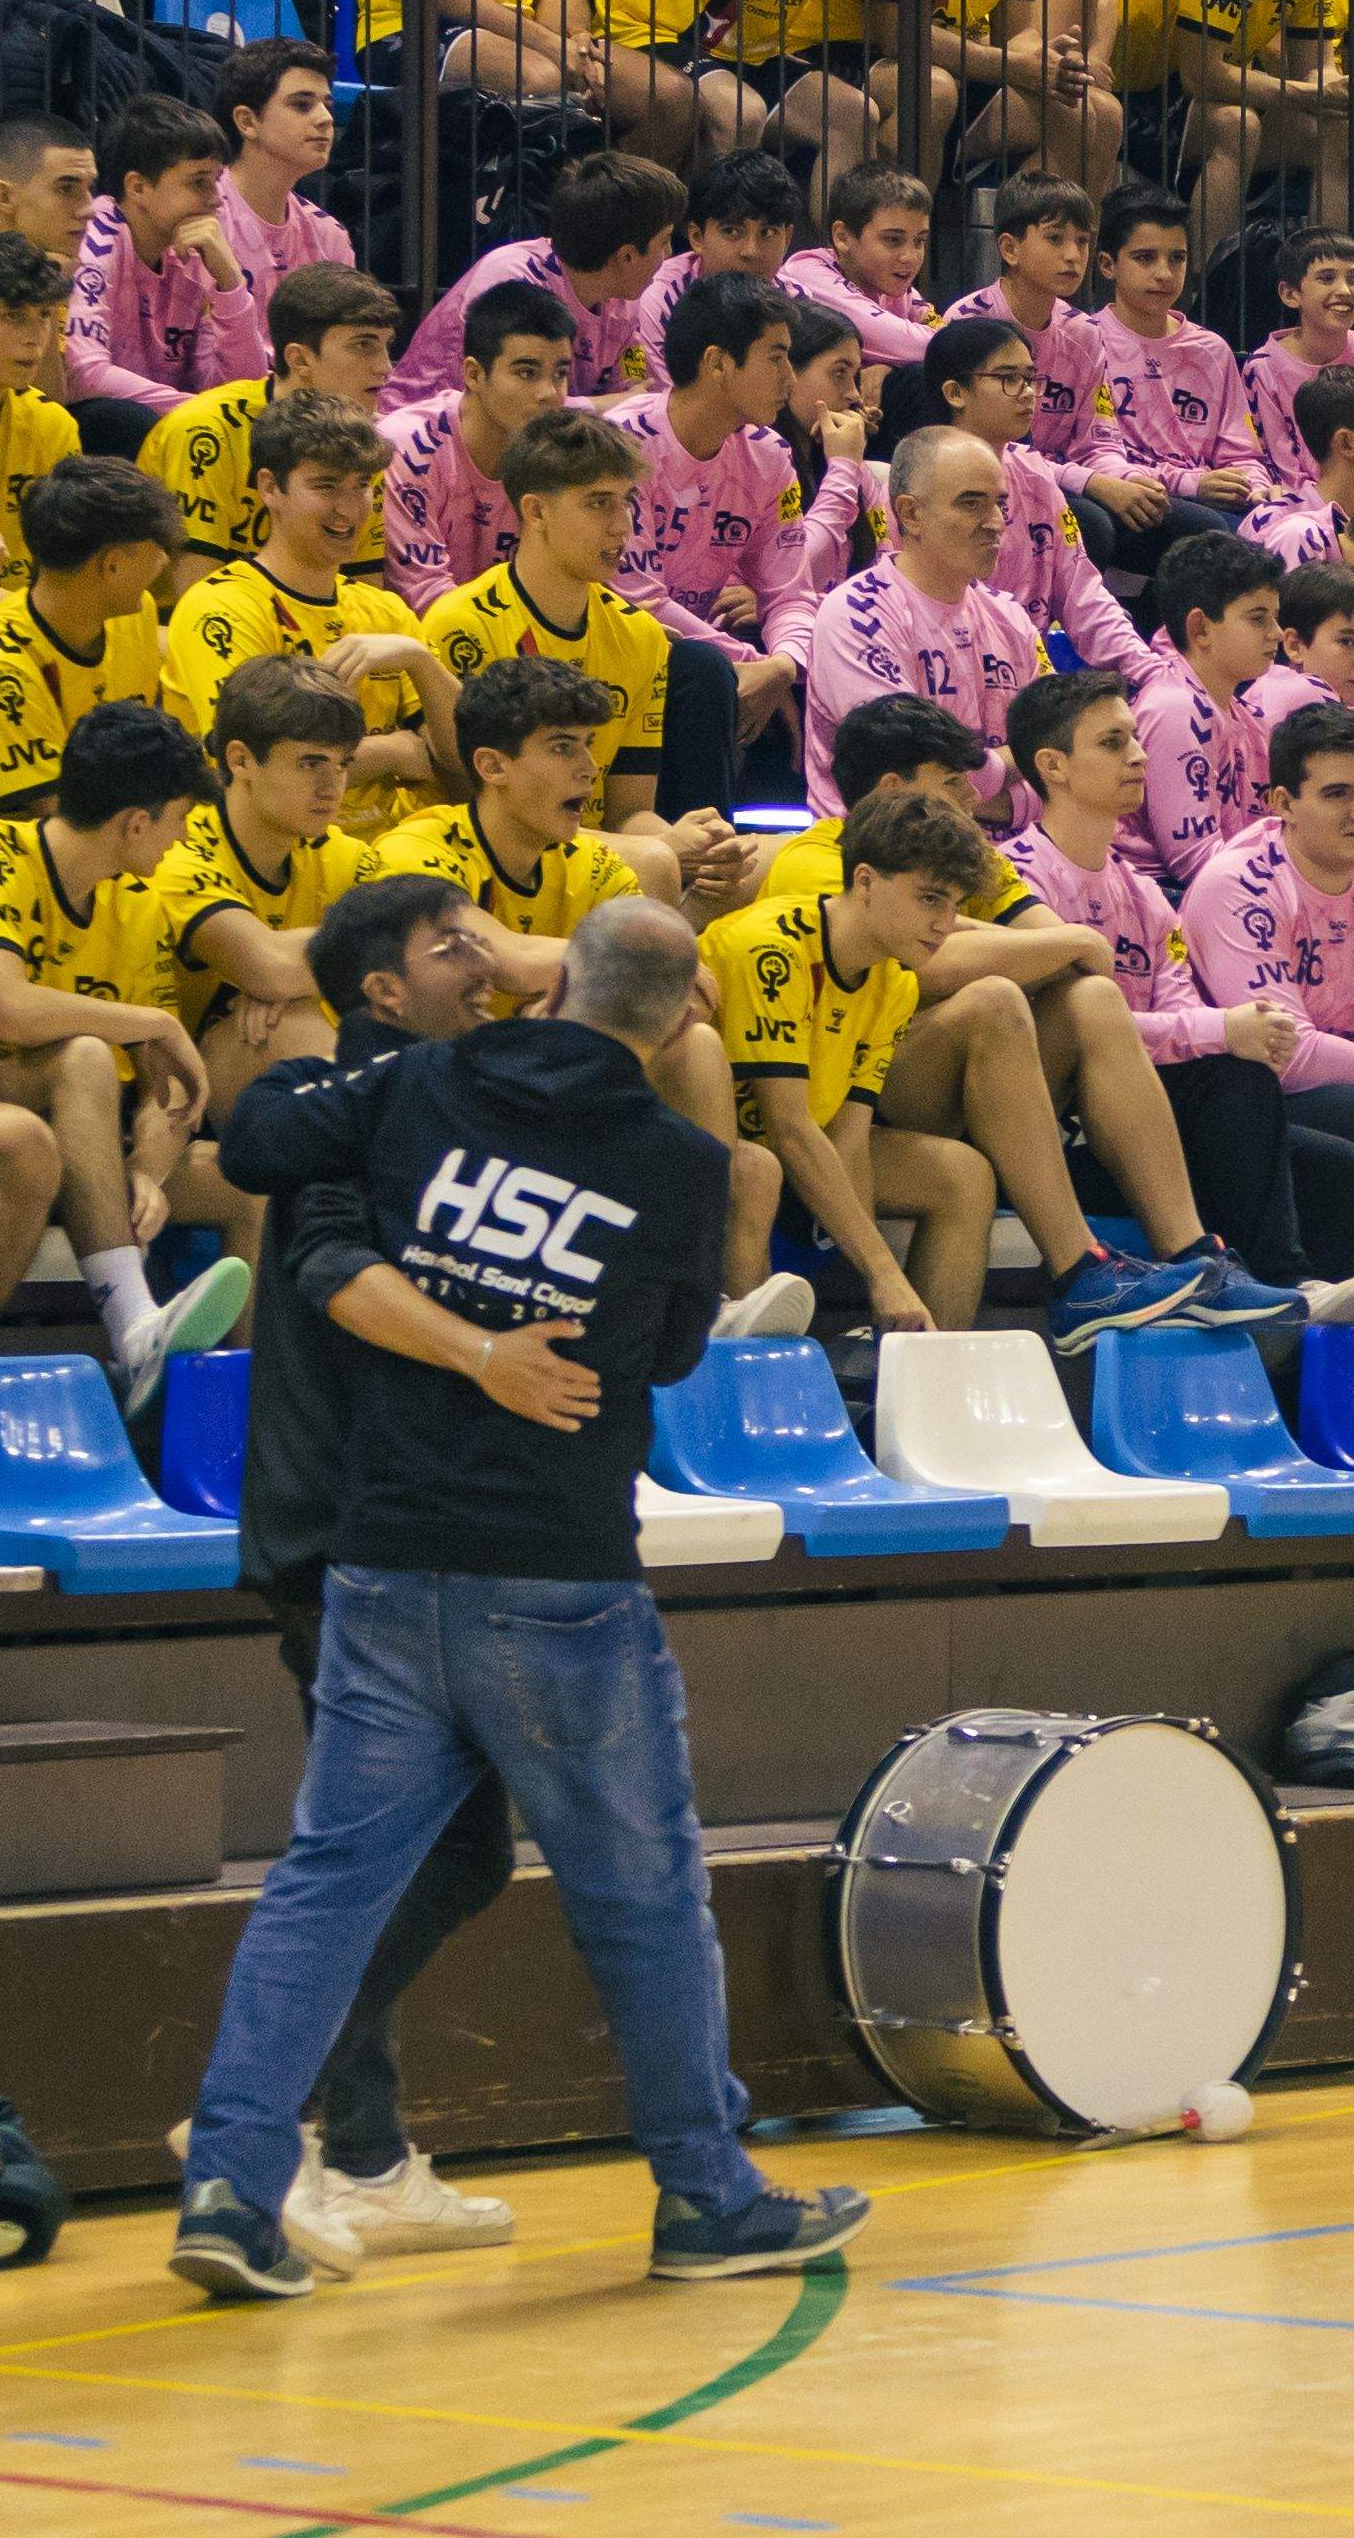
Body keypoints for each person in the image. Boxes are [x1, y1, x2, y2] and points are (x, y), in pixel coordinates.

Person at [172, 901, 861, 2295]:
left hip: (380, 1557)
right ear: (678, 1024)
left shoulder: (420, 1083)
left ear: (551, 985)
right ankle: (706, 2194)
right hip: (556, 1576)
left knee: (324, 1888)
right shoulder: (681, 1162)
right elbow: (669, 1354)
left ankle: (231, 2189)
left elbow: (262, 1145)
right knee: (645, 1897)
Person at [203, 871, 543, 2266]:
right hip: (340, 1531)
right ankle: (261, 2123)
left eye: (480, 931)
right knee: (436, 1846)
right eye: (445, 944)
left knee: (400, 1845)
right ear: (382, 995)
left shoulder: (449, 1108)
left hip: (402, 1530)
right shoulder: (344, 1110)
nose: (480, 958)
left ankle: (362, 2151)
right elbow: (269, 1164)